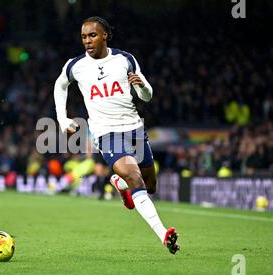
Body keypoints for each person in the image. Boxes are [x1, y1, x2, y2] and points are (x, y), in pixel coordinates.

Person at [53, 16, 179, 254]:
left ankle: (120, 184)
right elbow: (60, 85)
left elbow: (147, 96)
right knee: (135, 177)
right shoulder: (75, 65)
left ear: (104, 36)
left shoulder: (125, 59)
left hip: (134, 128)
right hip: (105, 133)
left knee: (149, 186)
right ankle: (163, 234)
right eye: (83, 36)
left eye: (92, 35)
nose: (87, 41)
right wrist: (62, 118)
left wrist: (141, 85)